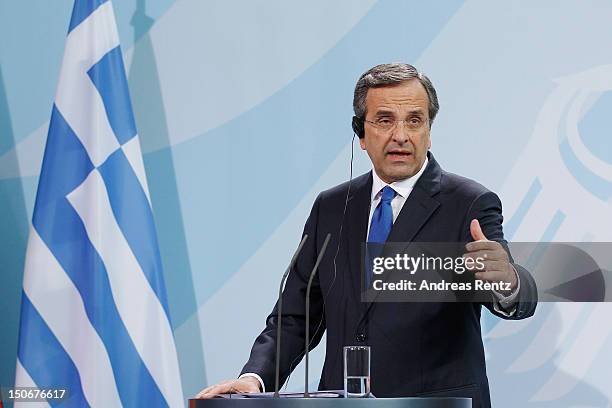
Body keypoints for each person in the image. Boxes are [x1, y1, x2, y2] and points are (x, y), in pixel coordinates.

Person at [196, 63, 537, 407]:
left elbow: (517, 296)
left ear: (429, 132)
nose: (401, 135)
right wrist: (253, 378)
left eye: (415, 121)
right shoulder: (330, 208)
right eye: (385, 120)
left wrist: (507, 282)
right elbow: (296, 317)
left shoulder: (468, 203)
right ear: (361, 133)